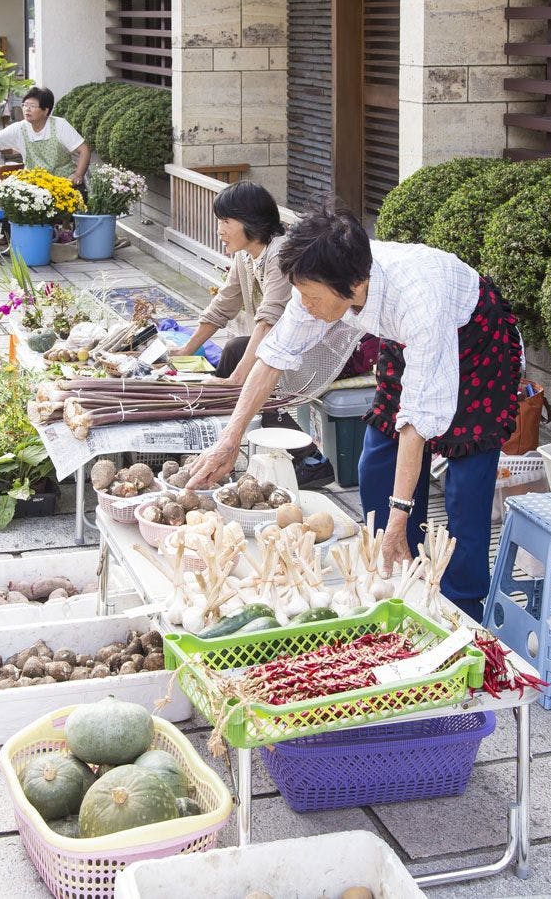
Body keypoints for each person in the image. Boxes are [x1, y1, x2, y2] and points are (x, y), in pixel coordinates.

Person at [188, 206, 522, 620]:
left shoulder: (420, 302)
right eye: (302, 295)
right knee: (376, 464)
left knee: (465, 486)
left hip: (474, 341)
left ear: (355, 283)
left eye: (312, 298)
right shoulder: (320, 277)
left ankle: (460, 608)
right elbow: (274, 356)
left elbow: (416, 423)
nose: (306, 306)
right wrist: (229, 439)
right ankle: (395, 574)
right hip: (405, 342)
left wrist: (401, 513)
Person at [172, 181, 290, 383]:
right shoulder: (245, 254)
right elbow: (223, 305)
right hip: (278, 345)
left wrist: (234, 381)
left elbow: (268, 323)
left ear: (251, 221)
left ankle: (232, 403)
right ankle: (227, 407)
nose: (219, 231)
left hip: (309, 351)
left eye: (226, 221)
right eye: (219, 221)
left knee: (237, 352)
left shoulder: (280, 255)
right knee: (234, 348)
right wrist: (185, 351)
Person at [0, 87, 90, 188]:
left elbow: (84, 150)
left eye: (32, 106)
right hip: (34, 187)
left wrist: (77, 176)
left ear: (46, 110)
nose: (27, 109)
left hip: (64, 184)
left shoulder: (59, 125)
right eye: (25, 105)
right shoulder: (19, 128)